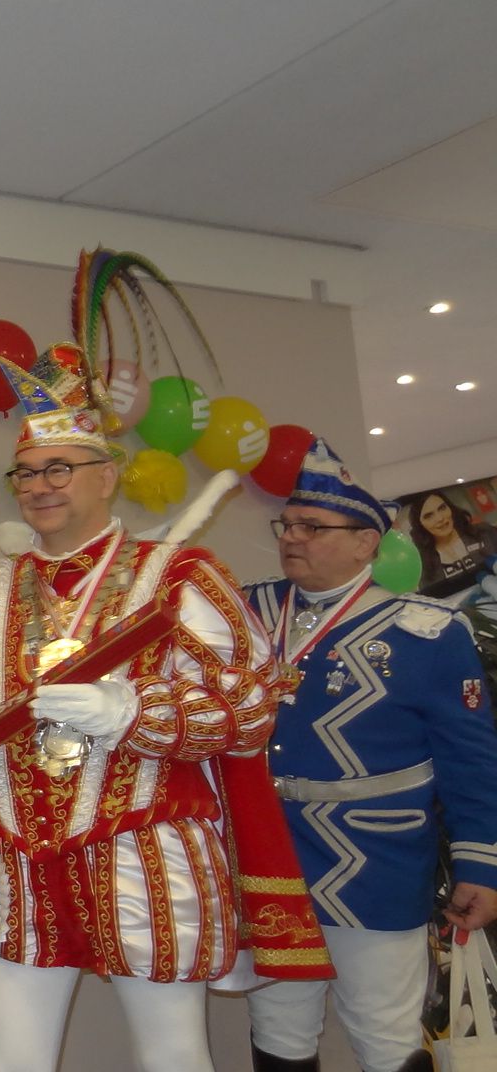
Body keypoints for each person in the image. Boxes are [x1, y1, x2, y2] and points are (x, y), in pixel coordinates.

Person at [0, 355, 330, 1072]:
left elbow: (251, 703)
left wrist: (135, 710)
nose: (39, 487)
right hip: (16, 852)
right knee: (9, 1060)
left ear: (106, 476)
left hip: (143, 845)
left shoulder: (181, 578)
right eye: (26, 473)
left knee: (173, 1055)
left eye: (59, 469)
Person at [244, 440, 497, 1072]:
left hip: (376, 858)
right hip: (269, 856)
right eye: (287, 525)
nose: (291, 537)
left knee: (385, 1033)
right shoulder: (245, 614)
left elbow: (471, 762)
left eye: (312, 526)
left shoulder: (428, 632)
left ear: (366, 543)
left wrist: (481, 864)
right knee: (277, 1027)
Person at [406, 490, 497, 598]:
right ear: (420, 524)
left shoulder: (484, 532)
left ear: (450, 508)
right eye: (429, 516)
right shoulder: (422, 563)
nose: (440, 518)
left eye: (442, 508)